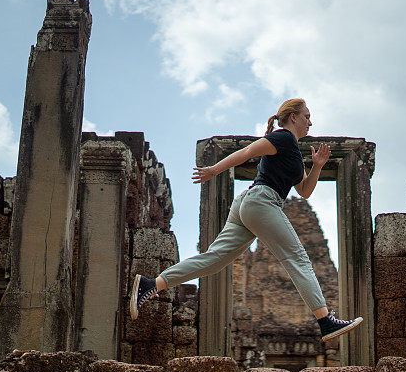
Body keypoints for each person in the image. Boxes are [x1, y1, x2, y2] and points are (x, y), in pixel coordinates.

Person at [130, 98, 363, 342]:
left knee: (215, 259)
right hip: (262, 201)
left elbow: (304, 191)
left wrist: (317, 166)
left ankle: (151, 284)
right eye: (307, 116)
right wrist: (214, 170)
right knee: (298, 259)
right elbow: (247, 152)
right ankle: (325, 321)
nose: (310, 122)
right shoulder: (282, 137)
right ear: (293, 116)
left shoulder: (293, 150)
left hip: (250, 204)